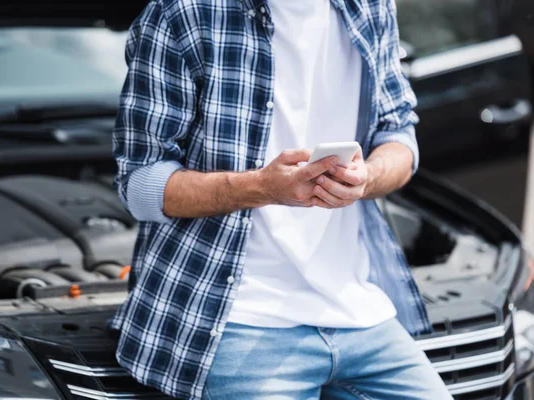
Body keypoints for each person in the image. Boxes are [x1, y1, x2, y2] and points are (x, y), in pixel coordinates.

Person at [110, 0, 453, 399]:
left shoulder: (372, 7)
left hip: (359, 311)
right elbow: (139, 183)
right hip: (240, 321)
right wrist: (263, 187)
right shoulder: (183, 12)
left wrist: (367, 177)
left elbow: (398, 134)